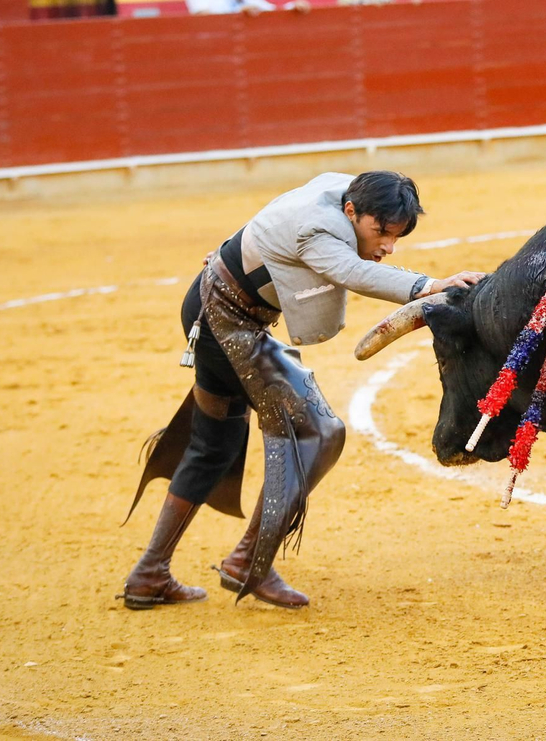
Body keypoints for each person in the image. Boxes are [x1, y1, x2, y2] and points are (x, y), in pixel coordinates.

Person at [122, 171, 484, 609]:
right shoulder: (320, 227)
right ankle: (247, 560)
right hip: (227, 323)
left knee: (214, 445)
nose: (388, 246)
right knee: (319, 431)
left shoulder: (343, 189)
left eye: (397, 235)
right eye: (382, 233)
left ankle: (149, 574)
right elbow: (351, 270)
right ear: (352, 211)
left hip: (215, 308)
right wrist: (431, 285)